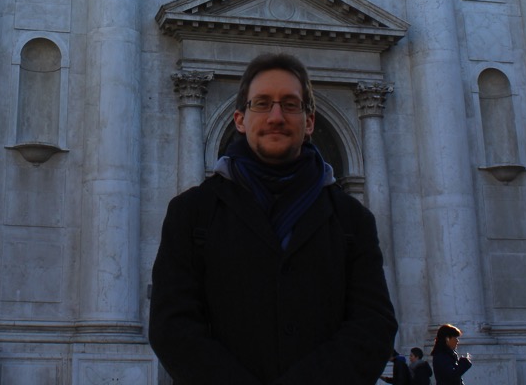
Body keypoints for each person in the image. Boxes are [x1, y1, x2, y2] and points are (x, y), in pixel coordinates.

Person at [149, 53, 397, 384]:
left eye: (290, 104)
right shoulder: (191, 213)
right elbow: (172, 326)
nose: (276, 116)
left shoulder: (353, 220)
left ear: (309, 122)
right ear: (240, 119)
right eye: (262, 103)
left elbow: (373, 325)